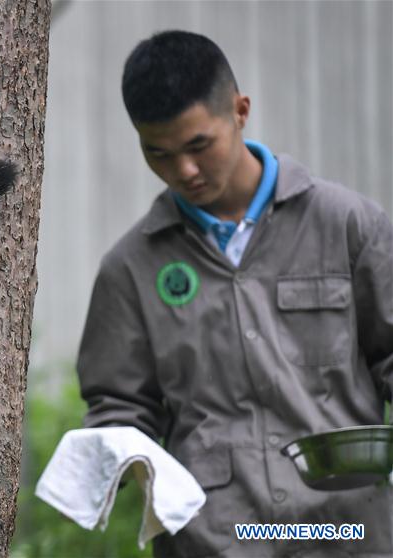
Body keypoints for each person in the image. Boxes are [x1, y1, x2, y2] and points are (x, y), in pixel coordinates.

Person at [77, 30, 393, 557]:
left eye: (199, 145)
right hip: (215, 539)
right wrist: (122, 454)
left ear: (240, 111)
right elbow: (117, 405)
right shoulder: (130, 268)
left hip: (348, 532)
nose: (185, 171)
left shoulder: (348, 226)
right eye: (159, 153)